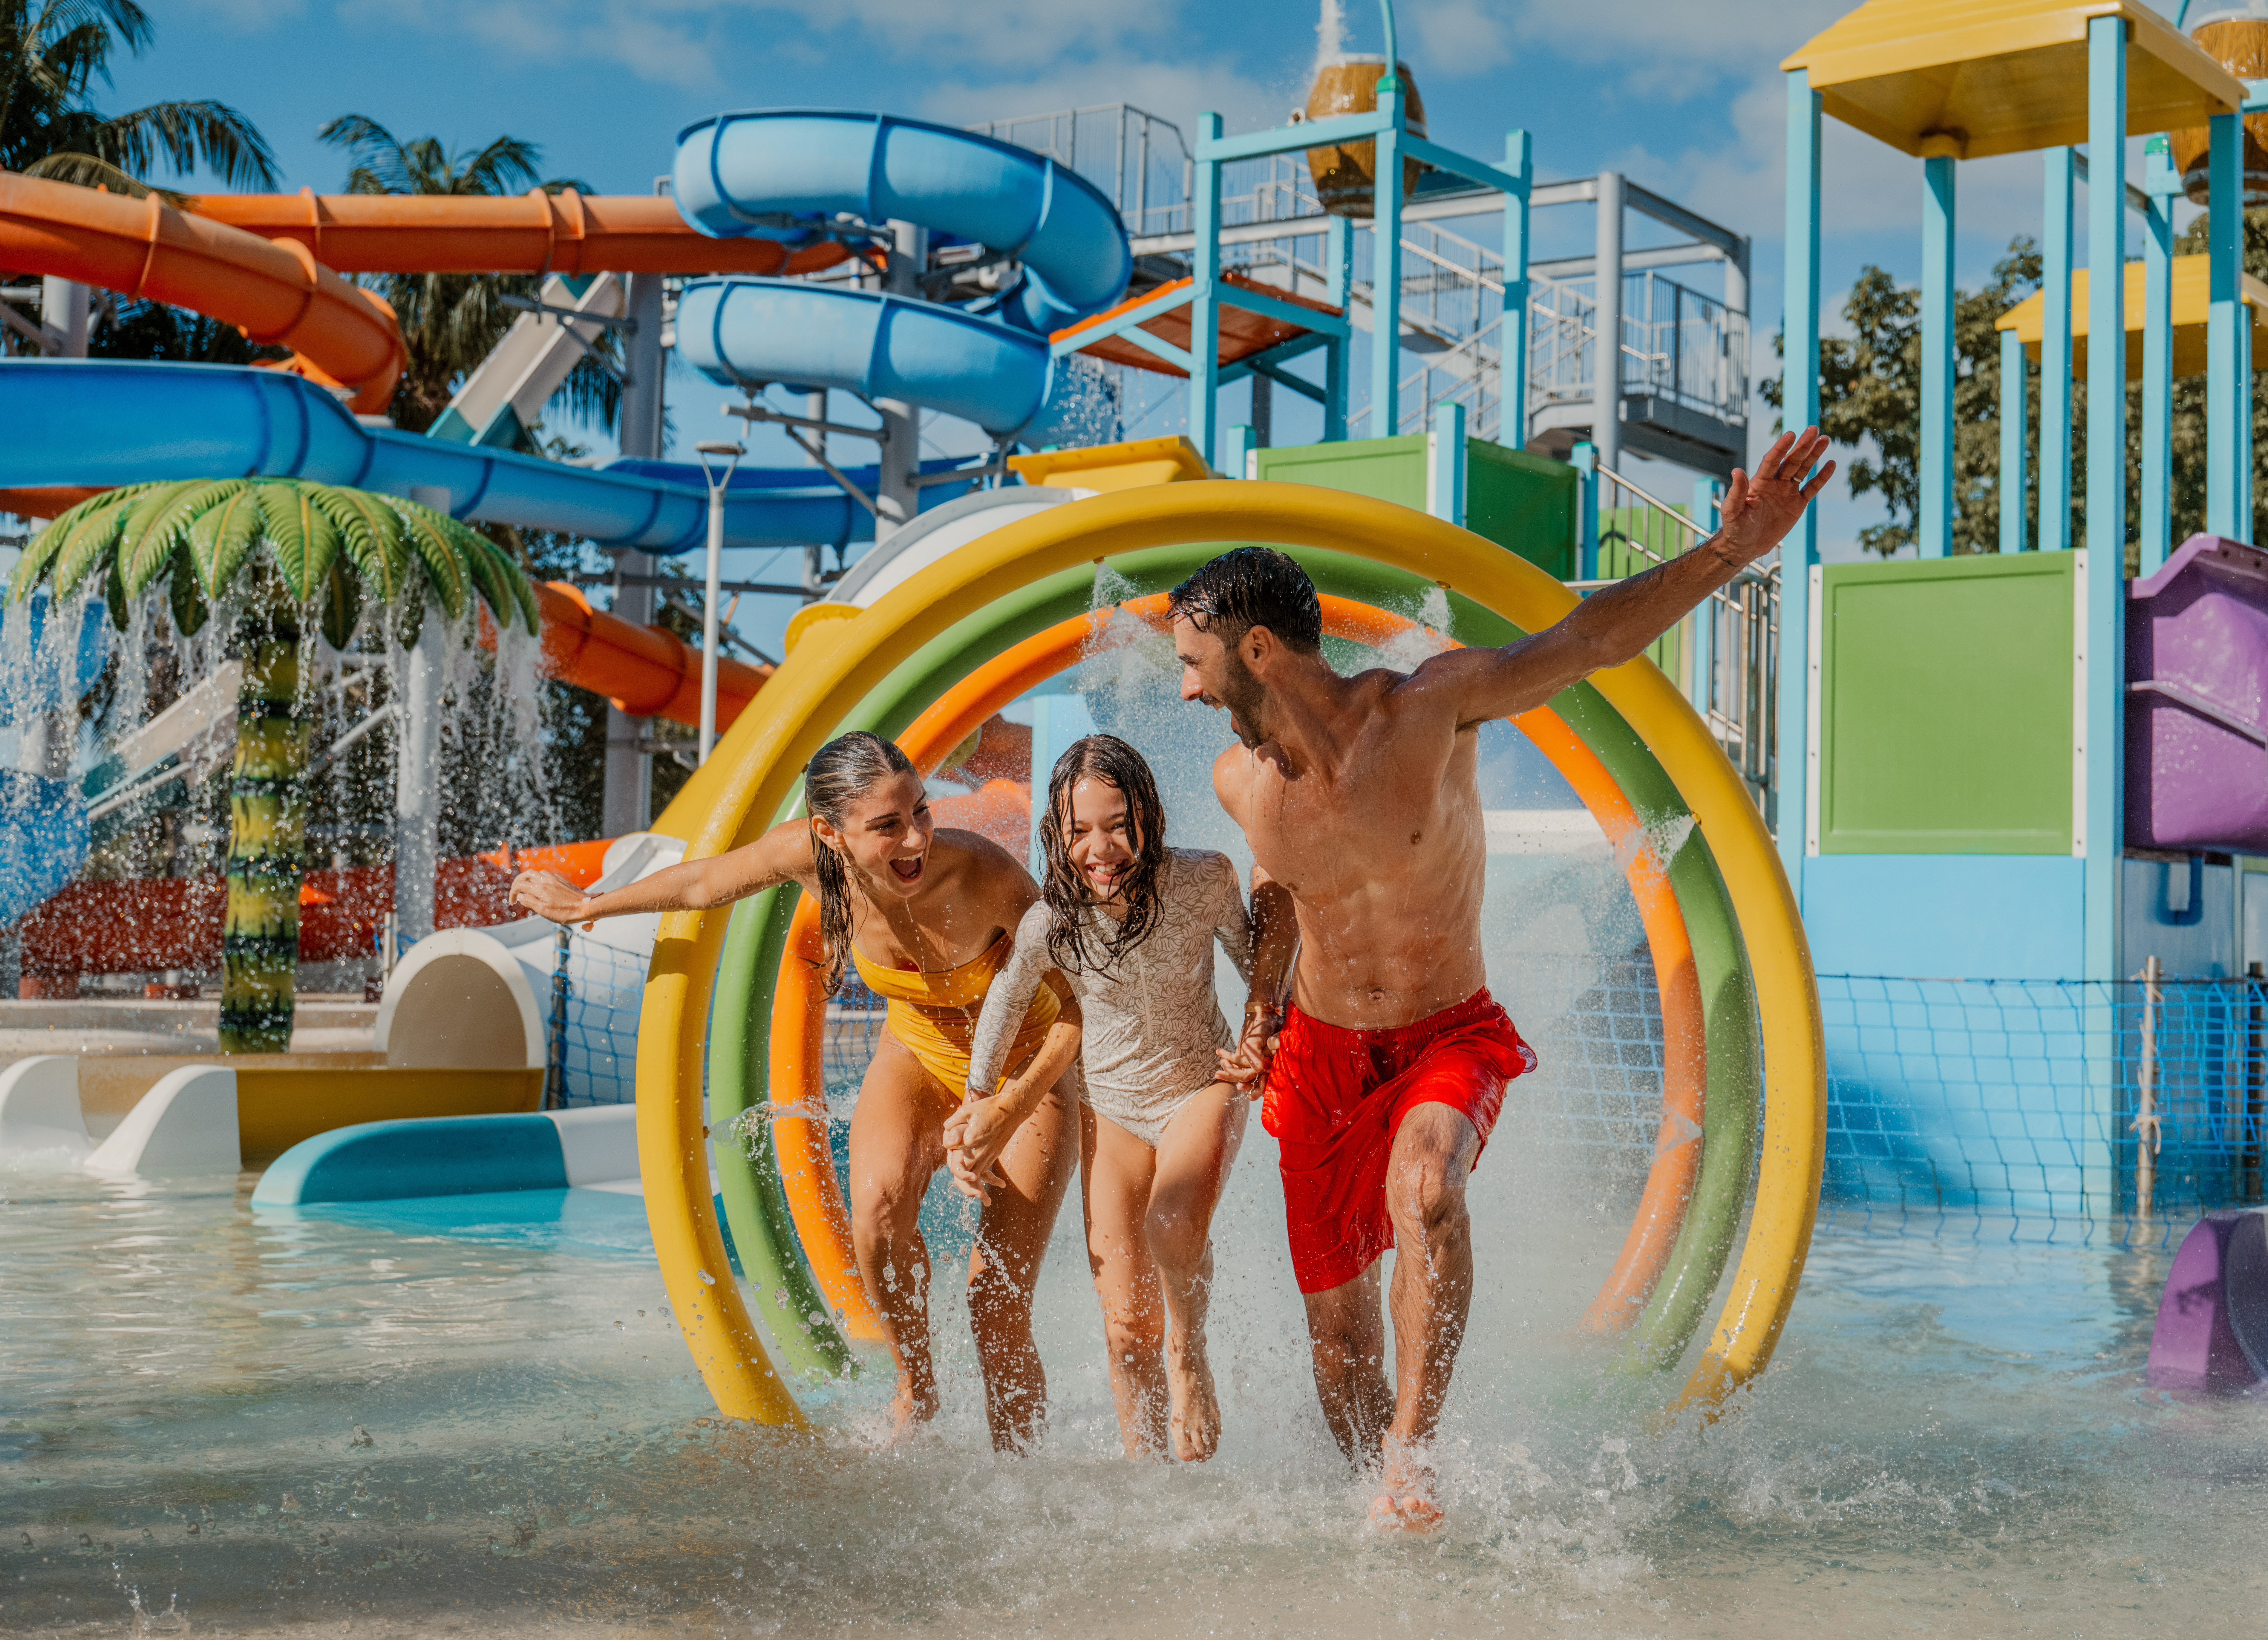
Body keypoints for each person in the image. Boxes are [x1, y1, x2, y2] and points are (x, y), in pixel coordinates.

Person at [1172, 428, 1835, 1529]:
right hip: (1320, 1058)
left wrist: (1728, 553)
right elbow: (1282, 895)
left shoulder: (1424, 710)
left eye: (1192, 665)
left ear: (1254, 651)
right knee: (1337, 1349)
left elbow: (1583, 641)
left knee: (1427, 1186)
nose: (1187, 692)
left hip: (1446, 1034)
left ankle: (1413, 1459)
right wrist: (1258, 1008)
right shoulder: (1239, 782)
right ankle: (1375, 1520)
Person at [507, 731, 1084, 1452]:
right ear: (828, 833)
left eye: (921, 811)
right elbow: (700, 883)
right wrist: (590, 904)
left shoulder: (984, 875)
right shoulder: (809, 858)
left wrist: (1006, 1107)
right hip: (917, 1054)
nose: (916, 838)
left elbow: (1076, 1010)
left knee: (993, 1304)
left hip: (1027, 1069)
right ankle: (917, 1390)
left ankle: (1022, 1481)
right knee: (874, 1215)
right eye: (887, 825)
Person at [959, 734, 1297, 1462]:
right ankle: (1147, 1481)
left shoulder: (1204, 880)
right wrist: (976, 1096)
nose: (1100, 847)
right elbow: (1007, 1001)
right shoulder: (1055, 921)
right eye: (1080, 830)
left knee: (1174, 1222)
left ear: (1149, 815)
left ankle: (1192, 1353)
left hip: (1198, 1083)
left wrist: (1261, 1034)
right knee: (1124, 1327)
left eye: (1118, 823)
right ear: (1058, 833)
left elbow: (1258, 964)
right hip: (1112, 1108)